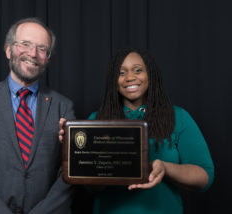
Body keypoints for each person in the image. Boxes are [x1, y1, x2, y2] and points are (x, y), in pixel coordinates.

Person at [59, 48, 214, 214]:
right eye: (121, 73)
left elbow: (204, 177)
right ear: (114, 80)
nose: (130, 78)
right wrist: (74, 151)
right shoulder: (97, 120)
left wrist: (164, 168)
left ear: (150, 75)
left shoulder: (177, 117)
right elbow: (92, 188)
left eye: (138, 70)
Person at [0, 17, 75, 214]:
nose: (33, 53)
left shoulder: (64, 107)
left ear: (48, 59)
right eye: (25, 44)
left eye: (42, 49)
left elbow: (69, 174)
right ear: (9, 50)